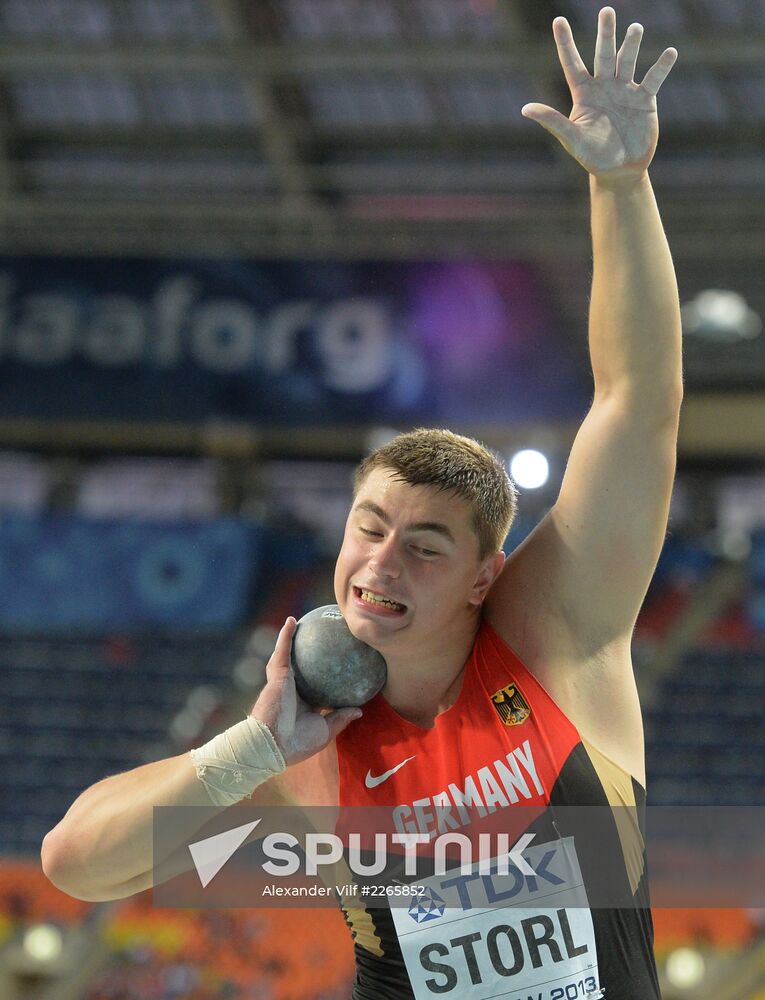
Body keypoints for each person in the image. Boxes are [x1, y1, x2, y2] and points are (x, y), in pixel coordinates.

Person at [42, 8, 681, 999]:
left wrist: (622, 185)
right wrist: (254, 748)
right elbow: (77, 864)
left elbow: (636, 405)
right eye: (370, 530)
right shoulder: (309, 744)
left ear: (484, 576)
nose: (380, 564)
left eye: (424, 546)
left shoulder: (555, 638)